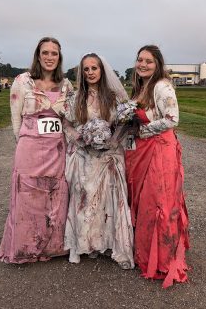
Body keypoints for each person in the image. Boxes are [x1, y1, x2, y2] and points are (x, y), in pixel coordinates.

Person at [0, 37, 74, 263]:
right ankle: (26, 246)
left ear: (59, 57)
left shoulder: (67, 85)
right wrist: (25, 142)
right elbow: (15, 119)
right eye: (45, 53)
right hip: (29, 148)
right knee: (28, 194)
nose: (49, 57)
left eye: (54, 53)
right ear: (38, 55)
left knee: (55, 194)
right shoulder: (22, 81)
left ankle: (53, 246)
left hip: (57, 149)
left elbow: (69, 120)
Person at [125, 45, 190, 288]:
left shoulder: (162, 86)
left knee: (158, 201)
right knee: (146, 201)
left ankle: (161, 260)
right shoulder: (143, 87)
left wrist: (144, 128)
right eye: (140, 60)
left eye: (148, 61)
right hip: (146, 148)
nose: (142, 64)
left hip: (160, 150)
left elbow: (173, 119)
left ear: (158, 64)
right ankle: (144, 253)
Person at [63, 53, 134, 270]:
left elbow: (124, 123)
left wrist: (112, 141)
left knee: (108, 200)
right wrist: (79, 137)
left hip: (108, 157)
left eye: (94, 68)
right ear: (82, 73)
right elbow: (66, 123)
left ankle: (108, 243)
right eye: (86, 69)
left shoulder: (113, 97)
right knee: (84, 198)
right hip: (84, 155)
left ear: (101, 71)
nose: (91, 72)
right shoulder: (76, 98)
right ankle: (88, 244)